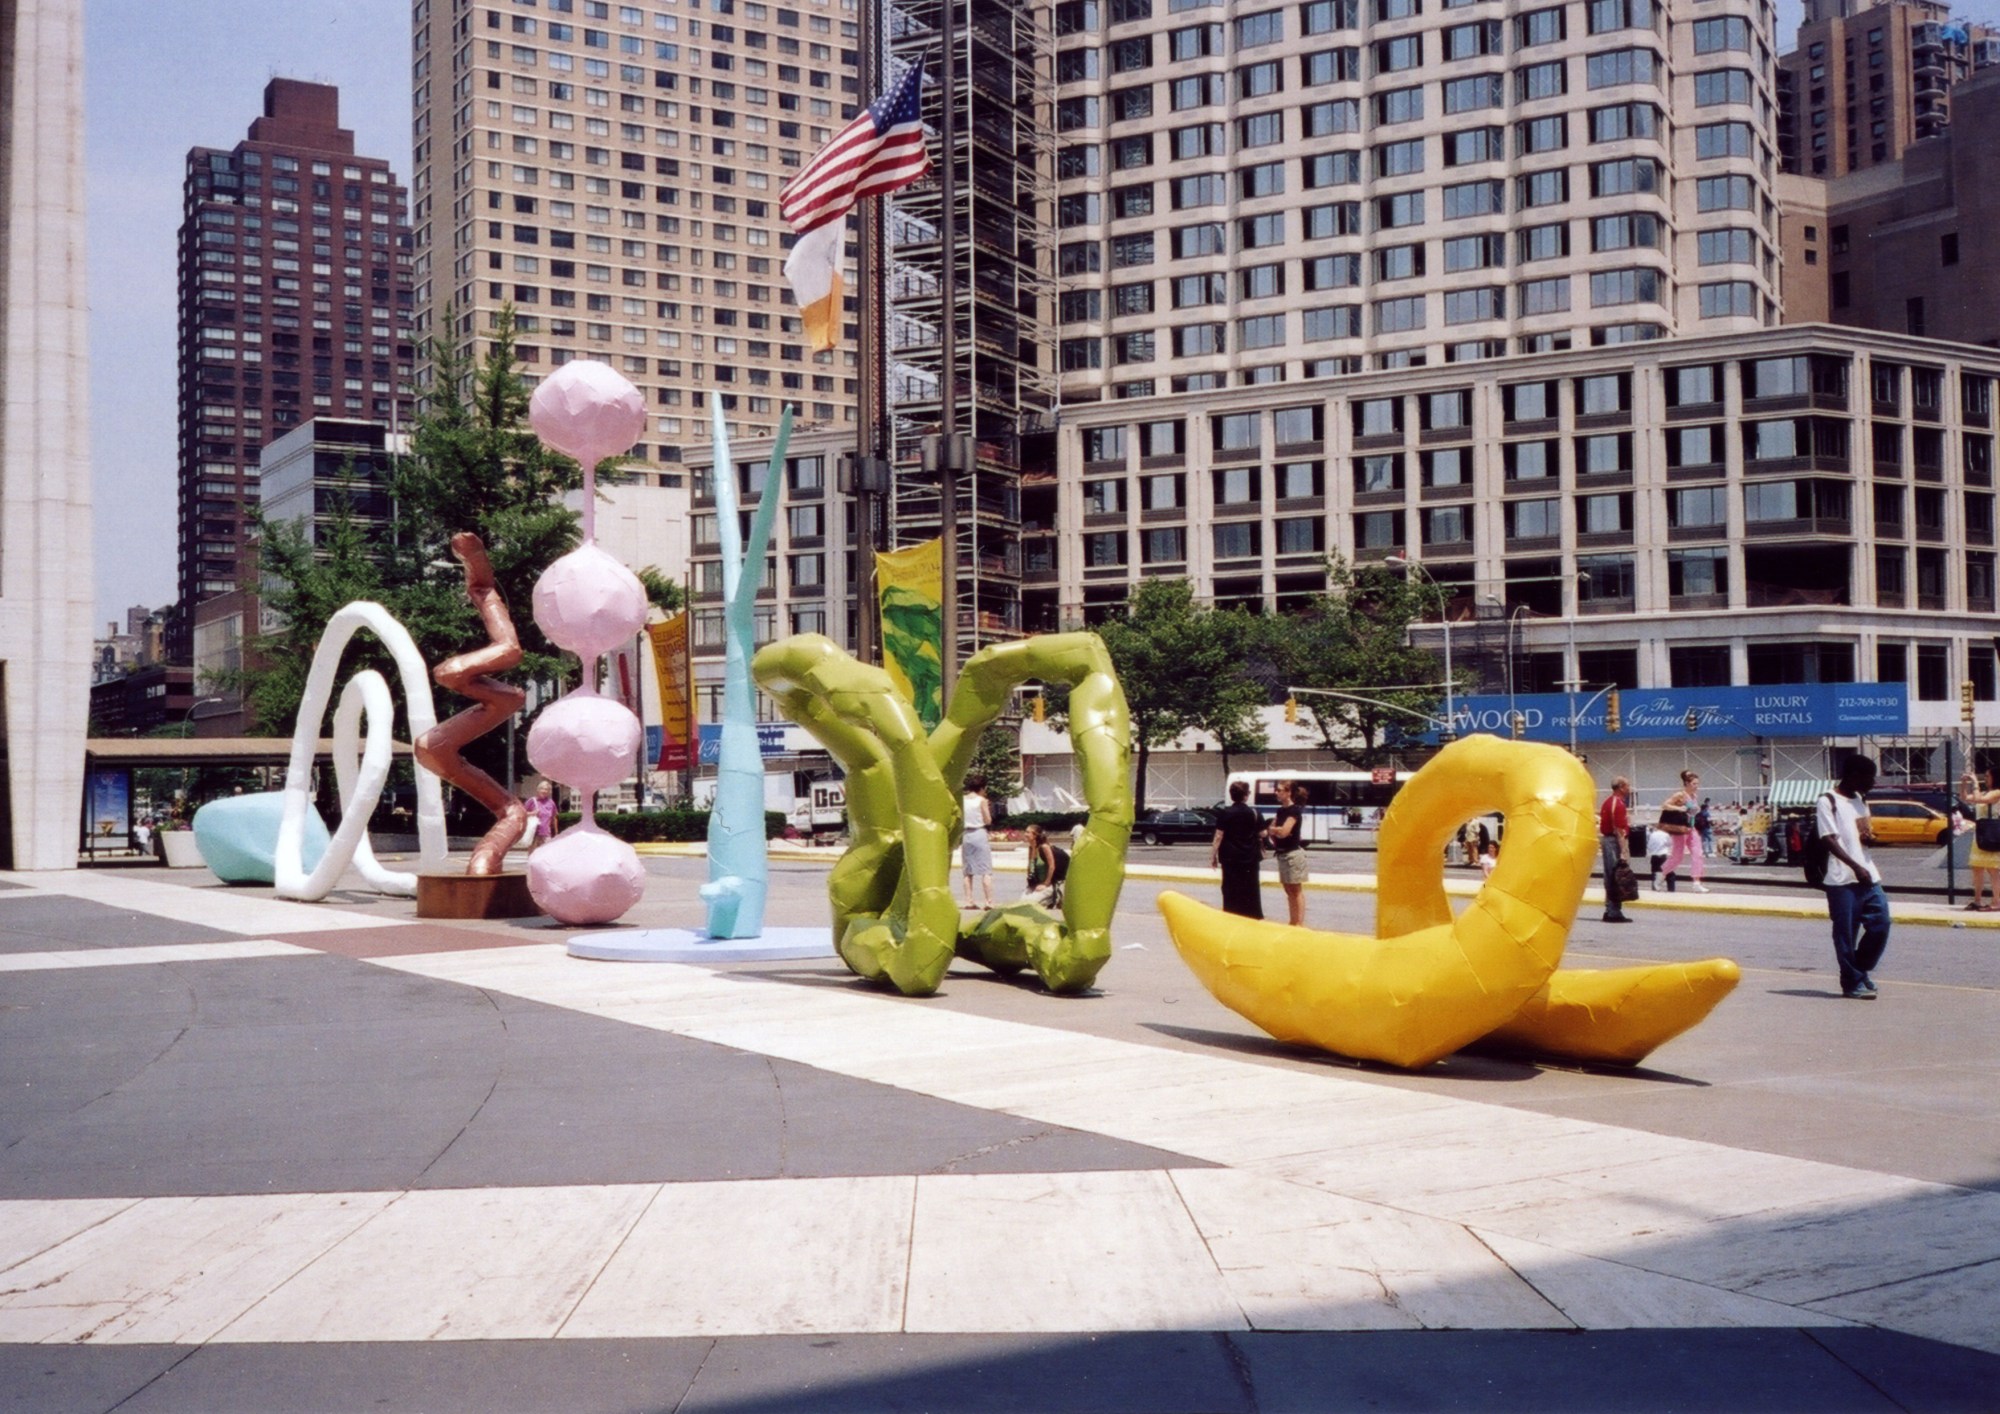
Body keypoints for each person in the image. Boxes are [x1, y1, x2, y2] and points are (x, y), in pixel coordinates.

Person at [1819, 754, 1890, 999]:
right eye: (1869, 777)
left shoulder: (1860, 799)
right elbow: (1828, 838)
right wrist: (1854, 866)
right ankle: (1851, 982)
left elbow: (1862, 832)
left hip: (1869, 875)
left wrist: (1869, 839)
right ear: (1853, 775)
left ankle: (1859, 969)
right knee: (1846, 934)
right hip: (1842, 880)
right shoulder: (1827, 800)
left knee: (1881, 924)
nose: (1872, 782)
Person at [1210, 780, 1268, 919]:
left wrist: (1213, 856)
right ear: (1246, 795)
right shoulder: (1254, 813)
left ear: (1231, 795)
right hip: (1250, 857)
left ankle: (1231, 914)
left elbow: (1218, 836)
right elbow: (1263, 833)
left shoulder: (1225, 813)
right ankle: (1252, 915)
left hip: (1230, 857)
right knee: (1250, 888)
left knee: (1230, 888)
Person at [1660, 769, 1710, 894]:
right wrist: (1679, 808)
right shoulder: (1680, 795)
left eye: (1697, 784)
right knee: (1677, 857)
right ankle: (1660, 875)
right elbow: (1665, 805)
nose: (1697, 787)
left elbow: (1692, 811)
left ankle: (1696, 882)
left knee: (1698, 853)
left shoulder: (1694, 796)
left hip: (1691, 828)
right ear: (1687, 783)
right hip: (1680, 829)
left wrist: (1695, 809)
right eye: (1694, 784)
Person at [1268, 780, 1309, 926]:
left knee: (1296, 890)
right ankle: (1292, 921)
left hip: (1293, 854)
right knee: (1288, 890)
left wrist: (1277, 830)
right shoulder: (1280, 811)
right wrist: (1276, 830)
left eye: (1280, 790)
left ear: (1288, 792)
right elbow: (1271, 830)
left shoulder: (1294, 810)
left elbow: (1284, 832)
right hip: (1282, 854)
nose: (1277, 793)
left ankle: (1299, 922)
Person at [1959, 767, 2000, 911]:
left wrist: (1975, 782)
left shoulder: (1997, 793)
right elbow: (1965, 798)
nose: (1986, 779)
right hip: (1981, 833)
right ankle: (1977, 900)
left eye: (1988, 776)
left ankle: (1996, 902)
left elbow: (1980, 799)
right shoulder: (1983, 792)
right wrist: (1964, 783)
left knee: (1993, 869)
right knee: (1977, 868)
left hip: (1993, 833)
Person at [1598, 777, 1633, 922]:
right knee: (1616, 876)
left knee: (1611, 875)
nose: (1629, 789)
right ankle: (1613, 911)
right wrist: (1623, 851)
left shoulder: (1609, 802)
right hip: (1613, 841)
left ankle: (1610, 908)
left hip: (1609, 840)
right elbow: (1619, 831)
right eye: (1627, 786)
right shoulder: (1617, 804)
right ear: (1621, 787)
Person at [961, 771, 995, 910]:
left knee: (967, 871)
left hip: (966, 834)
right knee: (986, 870)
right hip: (979, 832)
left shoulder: (962, 799)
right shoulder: (981, 801)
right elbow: (988, 820)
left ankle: (969, 900)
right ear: (982, 787)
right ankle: (988, 901)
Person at [1021, 822, 1068, 907]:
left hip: (1048, 884)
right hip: (1036, 883)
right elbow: (1030, 865)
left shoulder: (1044, 847)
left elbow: (1051, 866)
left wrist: (1046, 884)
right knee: (1023, 901)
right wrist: (1031, 882)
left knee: (1031, 903)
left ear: (1035, 835)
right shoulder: (1031, 848)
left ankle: (1054, 898)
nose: (1025, 834)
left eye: (1028, 832)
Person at [522, 779, 558, 852]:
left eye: (547, 789)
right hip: (533, 833)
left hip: (546, 834)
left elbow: (554, 818)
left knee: (546, 855)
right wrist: (532, 813)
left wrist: (556, 833)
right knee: (533, 856)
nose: (544, 791)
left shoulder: (551, 802)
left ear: (549, 792)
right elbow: (521, 814)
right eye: (542, 789)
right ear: (538, 790)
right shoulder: (532, 801)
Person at [1647, 822, 1674, 892]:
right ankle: (1671, 890)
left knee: (1655, 873)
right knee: (1669, 874)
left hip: (1654, 856)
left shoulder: (1652, 834)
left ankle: (1655, 889)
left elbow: (1649, 846)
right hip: (1663, 855)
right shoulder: (1666, 835)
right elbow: (1670, 844)